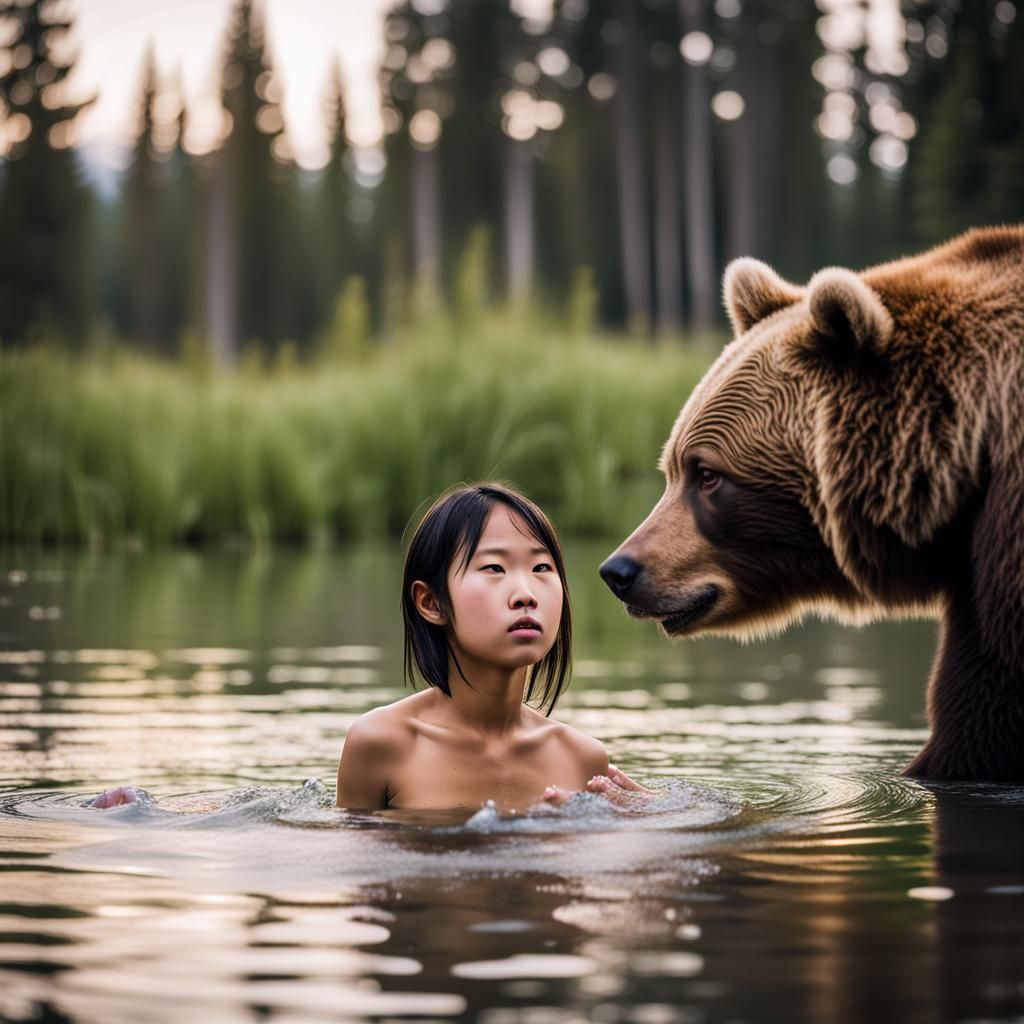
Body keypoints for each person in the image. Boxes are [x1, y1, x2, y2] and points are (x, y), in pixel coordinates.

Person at [335, 482, 650, 813]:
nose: (526, 594)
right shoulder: (382, 744)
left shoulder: (582, 757)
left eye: (541, 567)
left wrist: (647, 815)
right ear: (431, 602)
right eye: (494, 568)